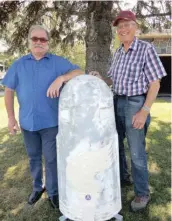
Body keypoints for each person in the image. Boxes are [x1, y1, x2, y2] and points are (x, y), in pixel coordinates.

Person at [90, 10, 167, 212]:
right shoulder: (118, 52)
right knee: (114, 145)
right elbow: (113, 80)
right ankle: (123, 178)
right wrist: (100, 78)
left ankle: (142, 193)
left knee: (136, 152)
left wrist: (144, 111)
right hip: (116, 101)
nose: (123, 29)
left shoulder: (145, 49)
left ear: (136, 27)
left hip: (135, 104)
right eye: (119, 26)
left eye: (127, 25)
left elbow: (155, 83)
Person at [2, 25, 84, 208]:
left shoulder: (57, 62)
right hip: (27, 123)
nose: (39, 42)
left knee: (52, 158)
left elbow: (80, 72)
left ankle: (54, 192)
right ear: (29, 41)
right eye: (35, 39)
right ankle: (38, 187)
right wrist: (11, 118)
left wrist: (61, 78)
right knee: (33, 157)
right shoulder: (19, 64)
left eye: (43, 39)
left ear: (48, 42)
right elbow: (8, 91)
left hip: (51, 123)